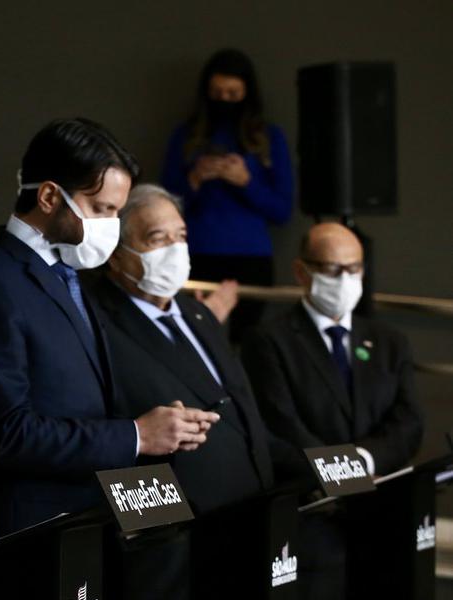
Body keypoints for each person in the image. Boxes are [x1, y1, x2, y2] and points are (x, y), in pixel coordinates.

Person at [0, 118, 218, 598]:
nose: (110, 223)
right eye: (101, 208)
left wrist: (152, 424)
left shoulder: (67, 276)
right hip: (19, 549)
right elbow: (4, 434)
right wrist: (135, 435)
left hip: (82, 542)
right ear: (49, 197)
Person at [91, 184, 306, 599]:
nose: (174, 249)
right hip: (175, 544)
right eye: (157, 239)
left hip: (249, 521)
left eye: (181, 236)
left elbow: (243, 418)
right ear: (117, 255)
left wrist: (312, 467)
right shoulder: (96, 321)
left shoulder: (197, 312)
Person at [241, 222, 423, 600]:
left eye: (354, 269)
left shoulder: (390, 341)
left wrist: (363, 461)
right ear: (301, 272)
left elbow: (408, 423)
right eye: (333, 269)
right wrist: (344, 474)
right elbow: (282, 425)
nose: (345, 280)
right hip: (315, 524)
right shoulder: (268, 341)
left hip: (381, 517)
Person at [160, 48, 294, 343]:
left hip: (251, 259)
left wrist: (246, 181)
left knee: (248, 344)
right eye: (217, 93)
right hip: (197, 254)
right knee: (194, 339)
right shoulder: (186, 136)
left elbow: (282, 211)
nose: (224, 101)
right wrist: (194, 179)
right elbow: (163, 206)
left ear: (247, 93)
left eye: (233, 94)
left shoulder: (269, 138)